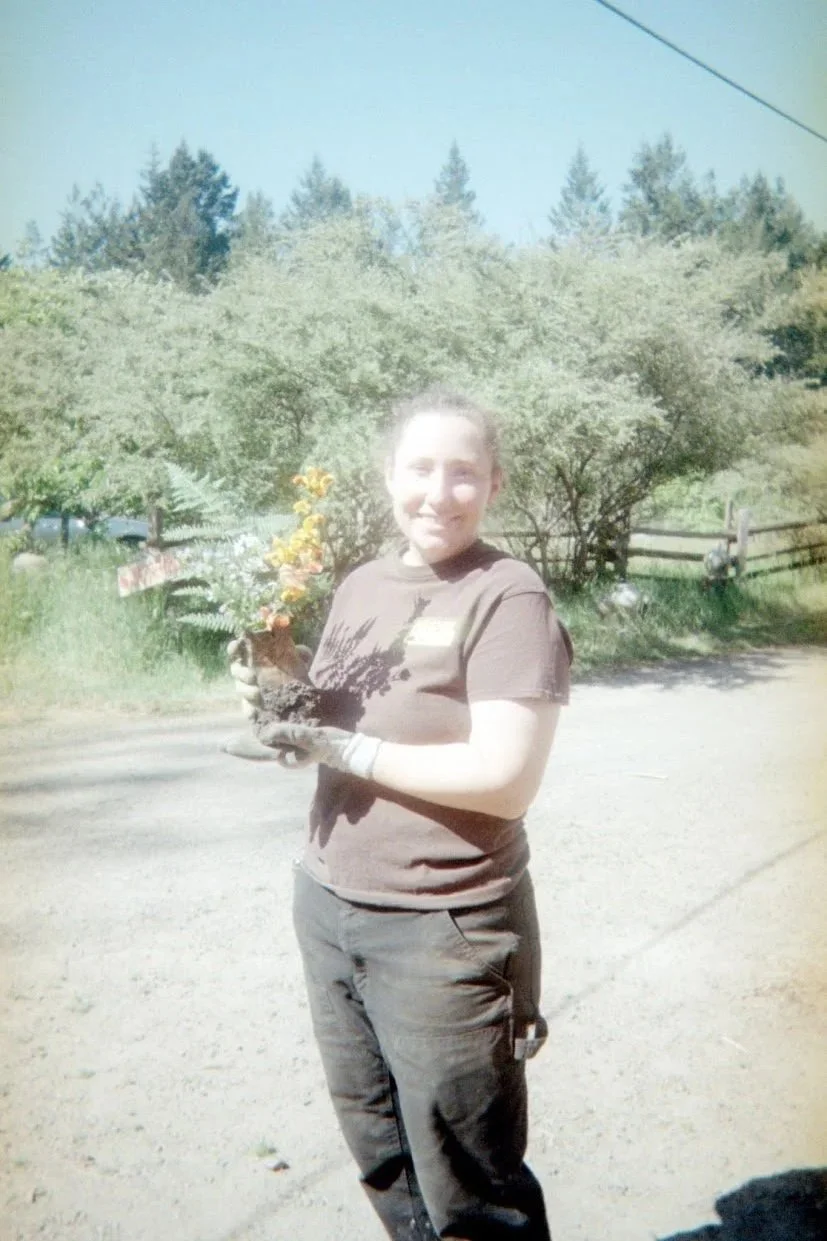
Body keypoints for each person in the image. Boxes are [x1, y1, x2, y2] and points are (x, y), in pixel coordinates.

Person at [231, 388, 572, 1240]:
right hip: (328, 903)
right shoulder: (361, 584)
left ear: (493, 483)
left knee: (471, 1188)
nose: (438, 492)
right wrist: (276, 695)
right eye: (420, 468)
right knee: (383, 1155)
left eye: (463, 472)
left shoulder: (508, 595)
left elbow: (505, 779)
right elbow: (334, 723)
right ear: (388, 474)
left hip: (443, 925)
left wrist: (345, 749)